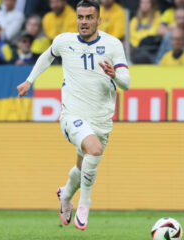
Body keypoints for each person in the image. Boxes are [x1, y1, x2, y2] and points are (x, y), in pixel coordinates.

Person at [17, 0, 130, 230]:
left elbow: (126, 83)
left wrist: (114, 75)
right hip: (72, 115)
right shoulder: (64, 41)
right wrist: (29, 80)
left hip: (101, 119)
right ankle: (85, 203)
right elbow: (47, 56)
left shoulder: (112, 45)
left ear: (99, 20)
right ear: (76, 18)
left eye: (89, 17)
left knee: (81, 168)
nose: (84, 22)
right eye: (81, 17)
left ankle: (66, 195)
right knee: (94, 149)